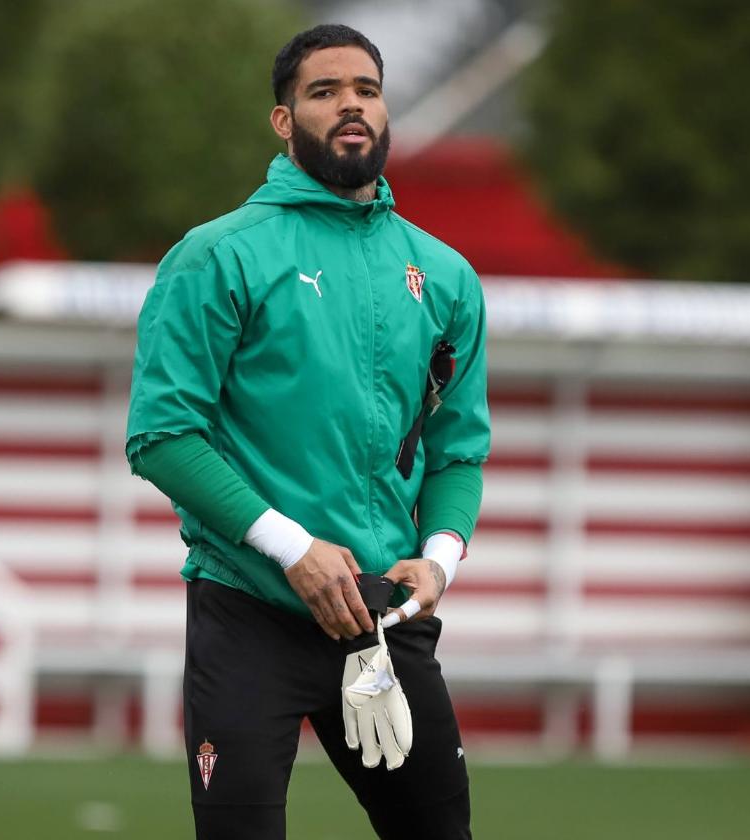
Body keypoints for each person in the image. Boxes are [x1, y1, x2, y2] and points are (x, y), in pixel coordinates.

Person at [125, 23, 489, 840]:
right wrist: (293, 547)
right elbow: (161, 434)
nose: (350, 104)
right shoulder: (216, 257)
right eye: (324, 92)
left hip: (385, 620)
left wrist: (439, 561)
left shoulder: (448, 277)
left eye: (365, 88)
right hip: (250, 610)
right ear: (284, 122)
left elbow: (458, 448)